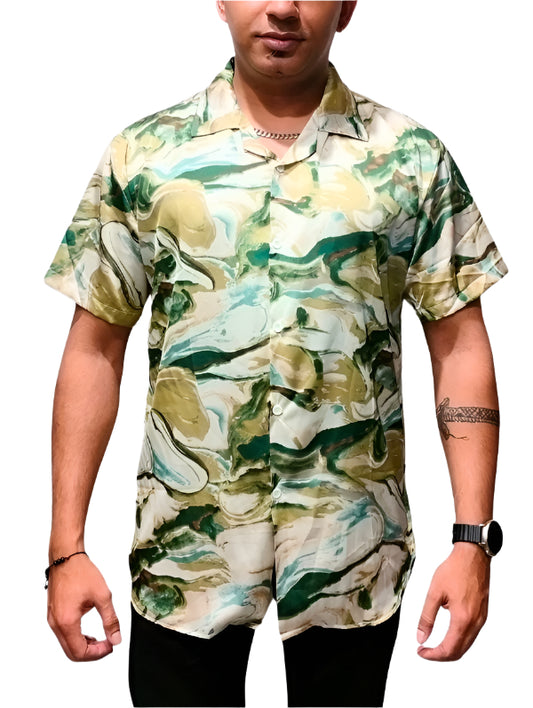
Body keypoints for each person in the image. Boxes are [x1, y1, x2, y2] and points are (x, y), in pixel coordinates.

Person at [43, 2, 507, 706]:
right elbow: (94, 350)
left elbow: (460, 345)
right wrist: (65, 550)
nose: (284, 7)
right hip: (187, 549)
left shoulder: (410, 159)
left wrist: (472, 539)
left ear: (347, 7)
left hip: (351, 551)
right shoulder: (144, 156)